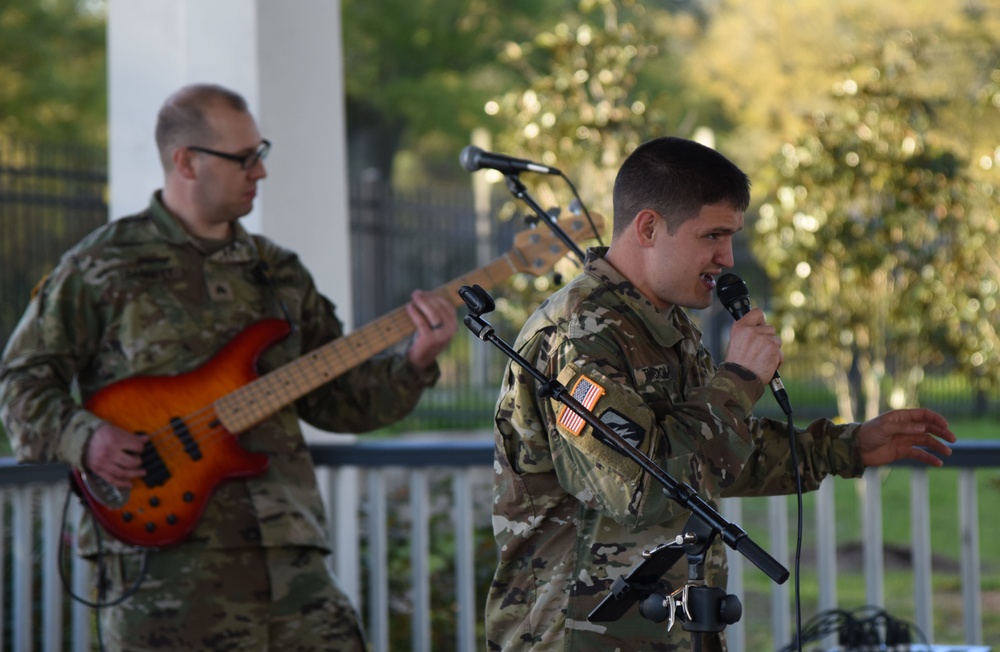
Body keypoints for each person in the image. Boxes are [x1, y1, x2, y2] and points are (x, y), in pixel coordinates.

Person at [0, 83, 457, 651]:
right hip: (164, 571)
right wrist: (84, 437)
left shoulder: (279, 271)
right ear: (186, 161)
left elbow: (338, 402)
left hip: (290, 560)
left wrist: (415, 360)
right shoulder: (100, 265)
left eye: (259, 153)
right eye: (243, 158)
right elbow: (20, 383)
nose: (259, 172)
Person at [484, 136, 956, 651]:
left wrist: (847, 447)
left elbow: (707, 457)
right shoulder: (578, 334)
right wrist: (740, 379)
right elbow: (644, 489)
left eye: (731, 237)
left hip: (667, 629)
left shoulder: (662, 323)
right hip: (578, 637)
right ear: (648, 228)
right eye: (712, 235)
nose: (727, 257)